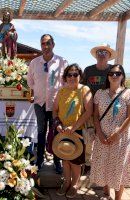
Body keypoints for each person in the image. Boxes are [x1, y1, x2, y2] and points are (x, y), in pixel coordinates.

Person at [90, 64, 130, 200]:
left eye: (117, 73)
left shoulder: (129, 94)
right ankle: (106, 194)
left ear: (122, 75)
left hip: (121, 138)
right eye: (111, 73)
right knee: (104, 164)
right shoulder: (100, 93)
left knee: (119, 167)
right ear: (108, 76)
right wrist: (99, 133)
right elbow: (95, 116)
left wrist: (117, 134)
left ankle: (118, 198)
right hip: (102, 136)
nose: (114, 76)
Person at [27, 34, 67, 174]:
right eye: (43, 43)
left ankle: (57, 161)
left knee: (56, 133)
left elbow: (66, 83)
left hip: (56, 105)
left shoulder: (62, 62)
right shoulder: (34, 63)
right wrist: (36, 94)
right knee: (41, 132)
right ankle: (39, 160)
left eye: (48, 43)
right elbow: (30, 82)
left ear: (53, 45)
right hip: (39, 103)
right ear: (41, 45)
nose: (46, 46)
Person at [53, 64, 93, 198]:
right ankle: (66, 183)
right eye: (69, 74)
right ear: (65, 77)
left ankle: (74, 184)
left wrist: (74, 127)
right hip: (63, 131)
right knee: (65, 158)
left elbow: (89, 111)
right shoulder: (61, 91)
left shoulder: (84, 89)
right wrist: (57, 124)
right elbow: (54, 111)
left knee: (75, 161)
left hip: (78, 131)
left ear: (80, 76)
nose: (72, 77)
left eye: (75, 74)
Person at [81, 43, 117, 174]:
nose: (102, 54)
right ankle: (87, 163)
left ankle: (102, 164)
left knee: (105, 137)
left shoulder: (114, 70)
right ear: (96, 55)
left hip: (107, 110)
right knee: (89, 137)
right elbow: (82, 88)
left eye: (104, 52)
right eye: (99, 52)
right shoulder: (88, 70)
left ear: (109, 55)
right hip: (90, 109)